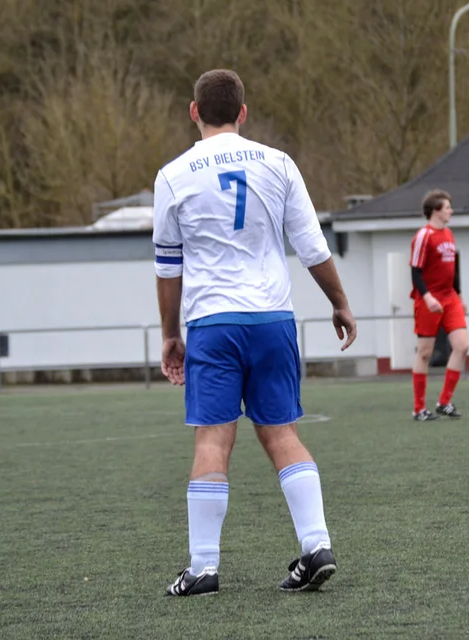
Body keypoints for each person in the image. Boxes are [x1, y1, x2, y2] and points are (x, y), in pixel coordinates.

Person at [153, 69, 357, 597]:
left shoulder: (173, 175)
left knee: (214, 439)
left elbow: (168, 266)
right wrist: (339, 302)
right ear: (243, 113)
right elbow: (312, 247)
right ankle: (317, 546)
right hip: (272, 320)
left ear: (194, 111)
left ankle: (202, 569)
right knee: (282, 433)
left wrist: (170, 334)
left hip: (213, 324)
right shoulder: (278, 163)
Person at [409, 189, 469, 421]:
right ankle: (418, 409)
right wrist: (427, 297)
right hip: (428, 299)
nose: (451, 211)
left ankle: (444, 402)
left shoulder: (449, 234)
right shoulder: (424, 236)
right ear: (436, 211)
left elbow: (453, 269)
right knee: (425, 353)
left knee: (462, 346)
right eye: (447, 207)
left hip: (449, 297)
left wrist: (459, 295)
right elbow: (415, 271)